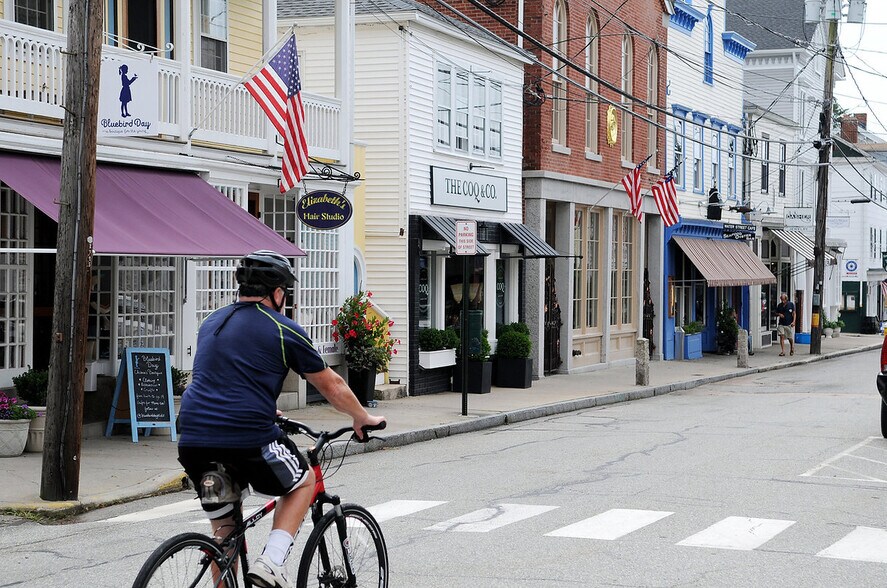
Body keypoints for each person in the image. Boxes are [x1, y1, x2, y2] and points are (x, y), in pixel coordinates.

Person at [177, 250, 385, 588]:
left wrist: (261, 403)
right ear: (277, 292)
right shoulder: (282, 327)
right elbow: (331, 384)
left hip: (194, 441)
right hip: (245, 437)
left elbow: (224, 376)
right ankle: (272, 562)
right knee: (303, 481)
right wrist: (362, 417)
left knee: (225, 535)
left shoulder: (212, 322)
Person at [775, 292, 796, 356]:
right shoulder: (779, 305)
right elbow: (776, 313)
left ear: (786, 299)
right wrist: (779, 314)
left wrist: (793, 321)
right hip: (781, 323)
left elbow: (794, 313)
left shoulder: (791, 304)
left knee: (789, 337)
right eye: (782, 299)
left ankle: (792, 347)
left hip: (788, 323)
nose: (783, 301)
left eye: (784, 300)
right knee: (782, 336)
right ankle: (783, 351)